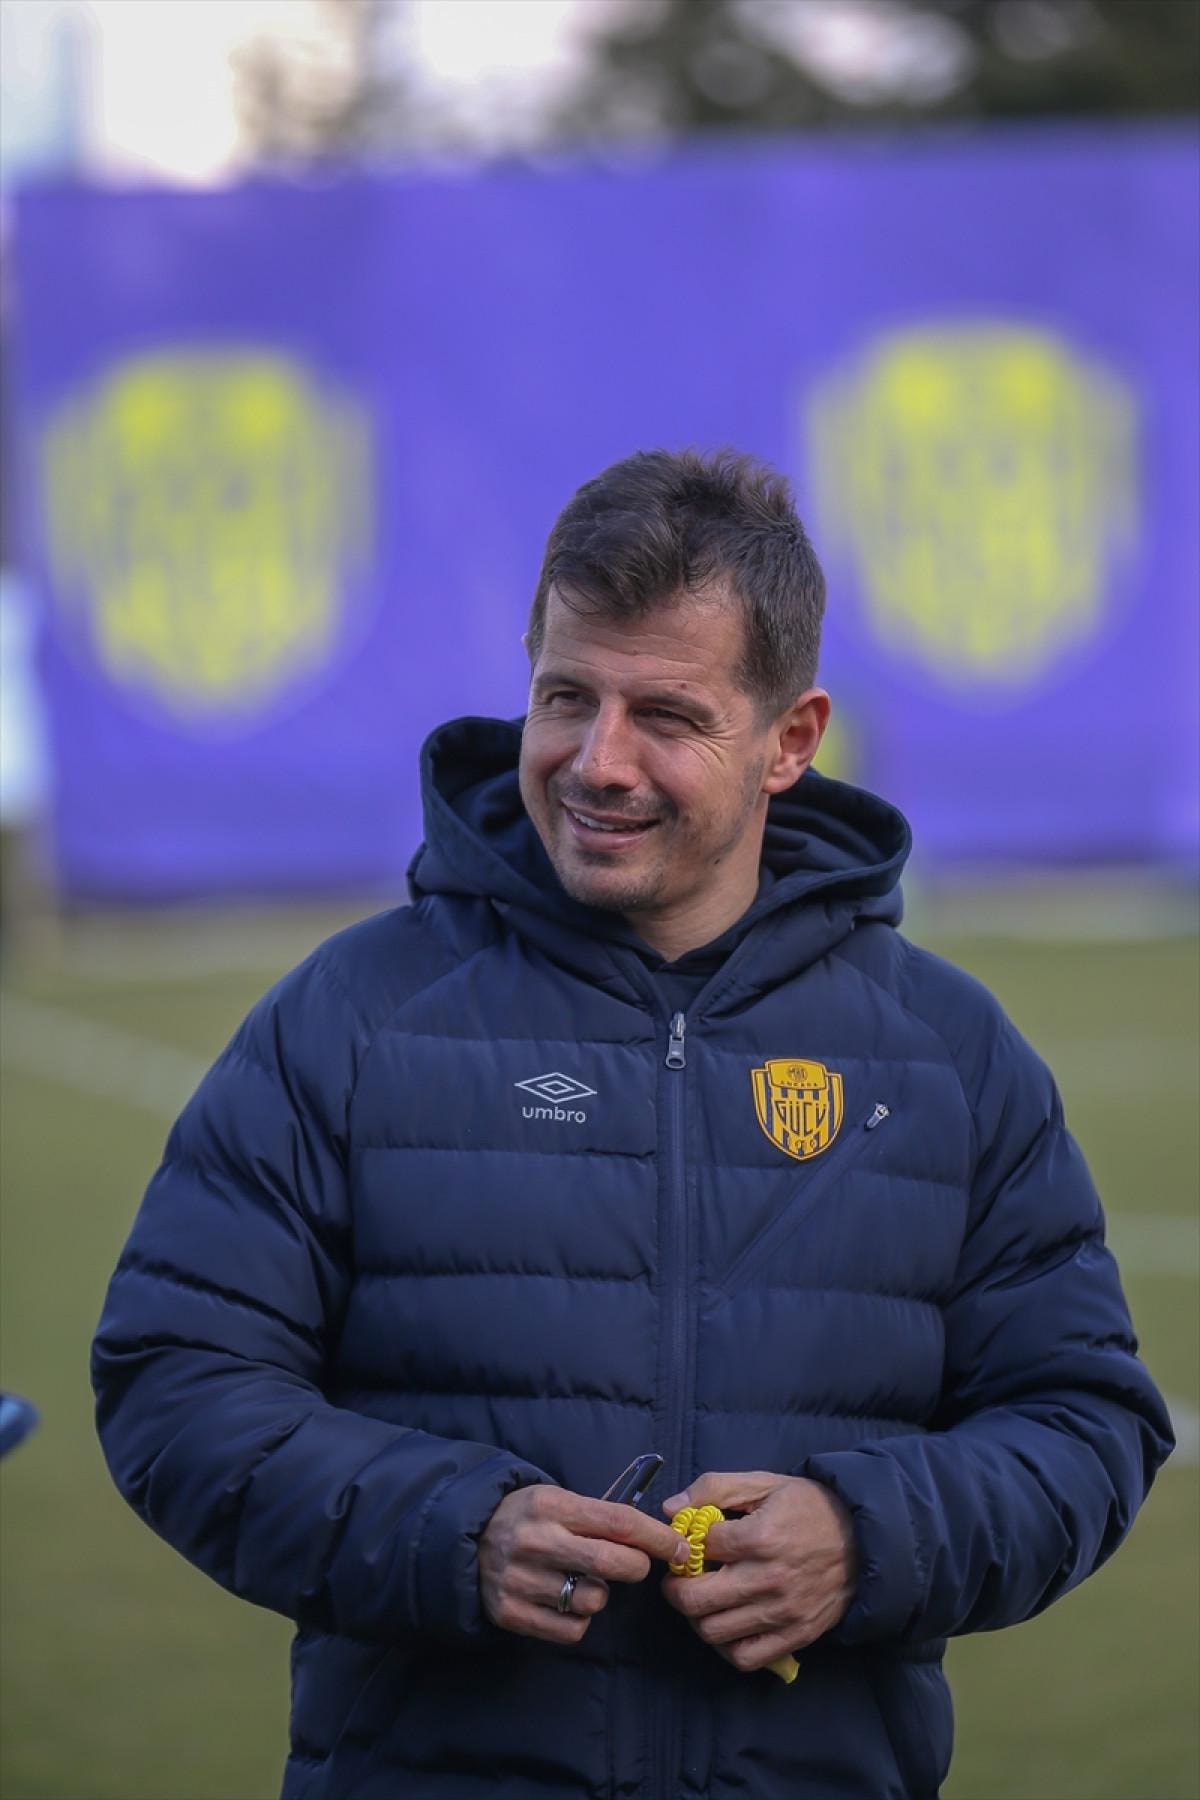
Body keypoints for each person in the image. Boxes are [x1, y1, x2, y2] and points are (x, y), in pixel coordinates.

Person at [92, 448, 1172, 1800]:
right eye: (565, 697)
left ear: (790, 740)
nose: (598, 762)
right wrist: (452, 1534)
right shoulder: (353, 1018)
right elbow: (177, 1381)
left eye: (665, 714)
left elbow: (1083, 1419)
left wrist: (867, 1536)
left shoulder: (947, 1053)